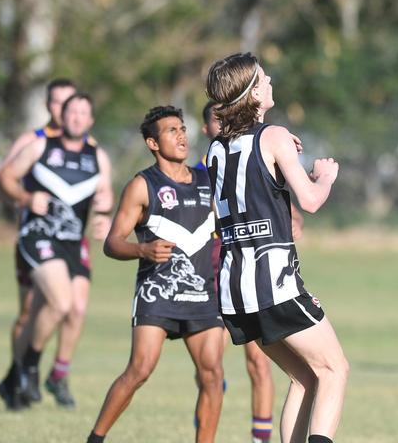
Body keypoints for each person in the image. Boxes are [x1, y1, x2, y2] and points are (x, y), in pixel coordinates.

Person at [204, 52, 347, 443]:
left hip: (234, 289)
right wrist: (325, 175)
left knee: (303, 377)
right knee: (335, 370)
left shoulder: (216, 149)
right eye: (263, 79)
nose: (270, 82)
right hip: (271, 281)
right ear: (251, 94)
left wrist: (282, 154)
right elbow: (312, 201)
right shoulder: (274, 136)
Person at [87, 106, 224, 443]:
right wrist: (142, 250)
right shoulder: (142, 185)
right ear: (152, 142)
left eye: (182, 129)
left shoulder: (207, 180)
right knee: (140, 371)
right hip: (158, 293)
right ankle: (95, 439)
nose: (181, 136)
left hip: (203, 294)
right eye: (171, 131)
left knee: (212, 375)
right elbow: (112, 243)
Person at [0, 92, 113, 409]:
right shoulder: (40, 147)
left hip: (74, 242)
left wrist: (104, 217)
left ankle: (33, 375)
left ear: (90, 120)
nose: (76, 117)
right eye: (71, 112)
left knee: (75, 309)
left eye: (83, 113)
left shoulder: (97, 156)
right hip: (38, 235)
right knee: (59, 304)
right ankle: (30, 366)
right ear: (63, 116)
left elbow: (105, 198)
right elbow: (4, 178)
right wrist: (24, 198)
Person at [201, 101, 279, 443]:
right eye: (216, 121)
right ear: (207, 130)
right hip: (210, 275)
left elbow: (287, 214)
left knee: (260, 363)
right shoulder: (202, 171)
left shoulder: (253, 155)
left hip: (251, 273)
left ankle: (259, 439)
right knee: (209, 368)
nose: (224, 124)